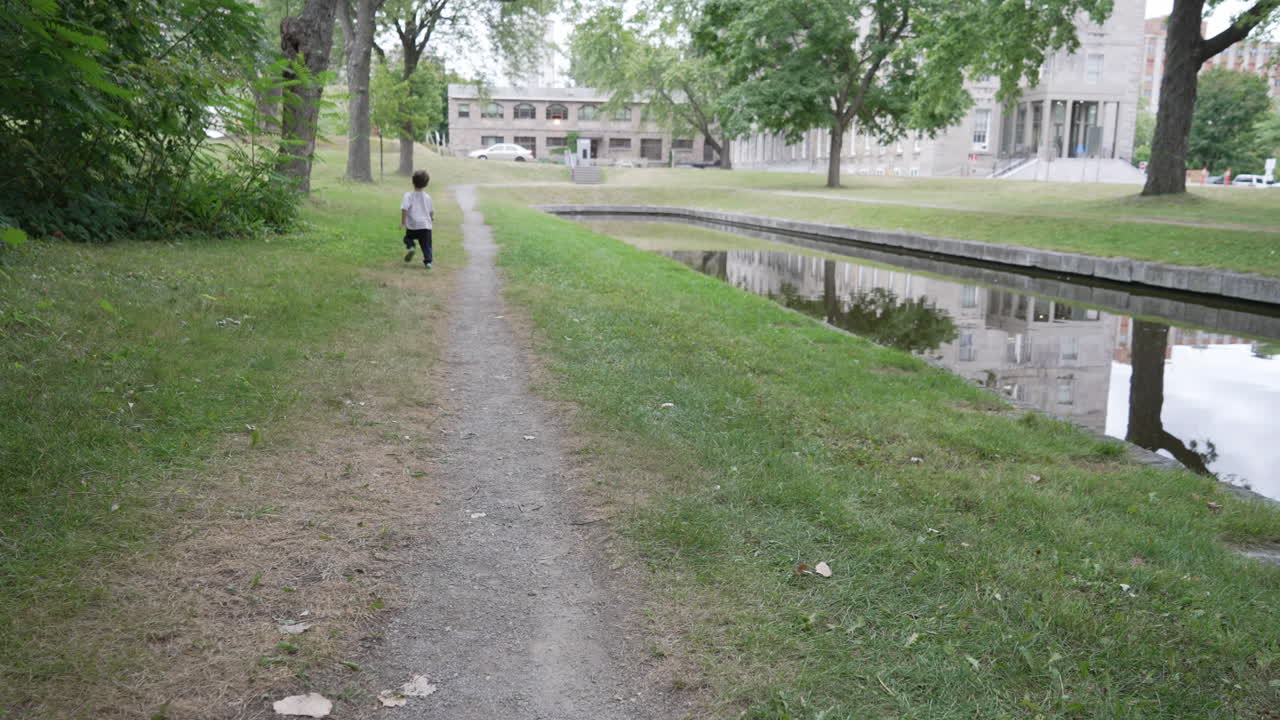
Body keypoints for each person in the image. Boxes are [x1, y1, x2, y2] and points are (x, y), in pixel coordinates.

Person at [400, 170, 434, 268]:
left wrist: (403, 222)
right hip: (425, 226)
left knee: (407, 238)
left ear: (413, 181)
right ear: (426, 184)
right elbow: (431, 211)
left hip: (413, 226)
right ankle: (428, 262)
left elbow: (404, 209)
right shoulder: (428, 197)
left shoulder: (408, 195)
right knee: (426, 245)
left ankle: (411, 247)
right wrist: (431, 219)